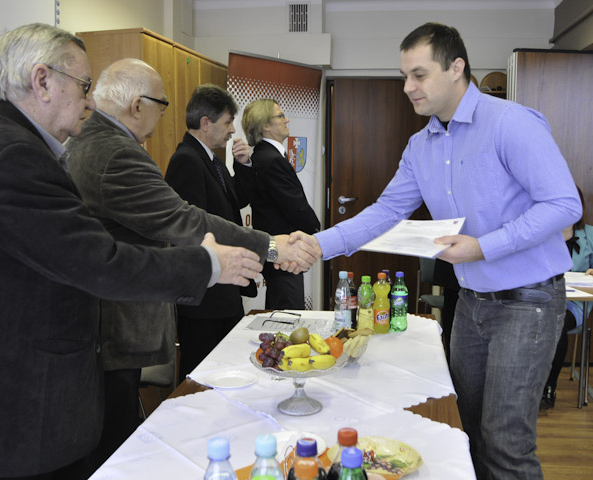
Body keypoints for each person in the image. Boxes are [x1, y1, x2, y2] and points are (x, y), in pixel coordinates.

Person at [0, 24, 264, 480]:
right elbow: (98, 261)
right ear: (42, 80)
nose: (90, 102)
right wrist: (209, 263)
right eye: (83, 86)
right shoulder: (11, 156)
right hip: (19, 411)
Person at [292, 22, 581, 479]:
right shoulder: (420, 145)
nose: (408, 87)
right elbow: (387, 211)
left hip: (528, 301)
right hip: (471, 303)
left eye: (420, 75)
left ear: (456, 68)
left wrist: (483, 247)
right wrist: (317, 244)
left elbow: (564, 205)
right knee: (465, 429)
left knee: (506, 443)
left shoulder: (511, 123)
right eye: (404, 76)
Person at [65, 59, 319, 471]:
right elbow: (185, 219)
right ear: (137, 105)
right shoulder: (114, 152)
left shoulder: (94, 142)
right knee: (115, 447)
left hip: (104, 322)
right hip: (115, 322)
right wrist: (271, 246)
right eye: (162, 104)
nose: (164, 114)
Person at [164, 84, 265, 382]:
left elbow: (235, 203)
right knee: (201, 377)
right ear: (206, 123)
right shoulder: (186, 160)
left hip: (223, 293)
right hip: (205, 300)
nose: (233, 130)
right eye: (228, 122)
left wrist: (244, 165)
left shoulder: (211, 159)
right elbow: (193, 230)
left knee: (227, 372)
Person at [237, 99, 320, 310]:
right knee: (288, 314)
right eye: (281, 116)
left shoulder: (264, 156)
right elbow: (295, 206)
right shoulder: (271, 159)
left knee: (280, 307)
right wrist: (317, 232)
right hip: (284, 253)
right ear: (265, 125)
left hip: (277, 250)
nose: (287, 119)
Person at [542, 186, 593, 409]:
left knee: (558, 323)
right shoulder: (542, 234)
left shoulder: (590, 234)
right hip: (543, 300)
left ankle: (549, 387)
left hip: (575, 305)